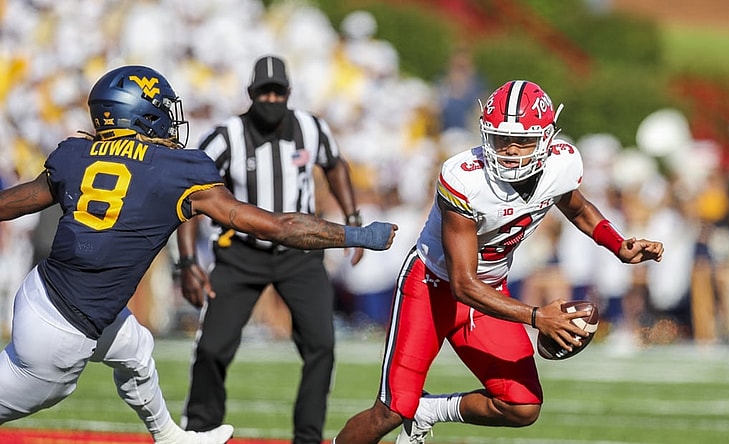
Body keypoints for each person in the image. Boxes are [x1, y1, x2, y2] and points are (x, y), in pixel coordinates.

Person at [0, 65, 396, 444]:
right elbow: (277, 226)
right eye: (161, 110)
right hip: (61, 335)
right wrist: (354, 234)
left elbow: (15, 203)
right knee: (44, 392)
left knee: (135, 347)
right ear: (139, 115)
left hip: (44, 291)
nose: (170, 120)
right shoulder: (176, 167)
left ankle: (171, 437)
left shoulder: (75, 153)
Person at [332, 80, 664, 444]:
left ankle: (429, 411)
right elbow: (462, 283)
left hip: (489, 290)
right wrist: (538, 317)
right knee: (391, 411)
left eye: (522, 141)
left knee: (522, 405)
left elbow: (578, 207)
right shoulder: (464, 178)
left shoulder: (561, 163)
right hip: (431, 289)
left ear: (546, 139)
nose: (509, 150)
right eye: (500, 139)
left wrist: (618, 245)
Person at [176, 55, 366, 444]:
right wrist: (188, 261)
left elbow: (335, 165)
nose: (272, 99)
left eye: (279, 92)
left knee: (322, 346)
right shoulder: (227, 135)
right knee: (212, 346)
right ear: (251, 94)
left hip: (301, 254)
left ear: (289, 93)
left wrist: (353, 215)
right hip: (241, 253)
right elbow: (191, 194)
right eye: (265, 92)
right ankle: (199, 429)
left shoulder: (311, 128)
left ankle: (308, 437)